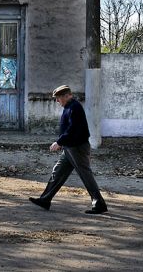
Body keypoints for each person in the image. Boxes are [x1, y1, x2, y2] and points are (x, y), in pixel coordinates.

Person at [29, 85, 108, 214]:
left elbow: (72, 130)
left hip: (77, 147)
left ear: (67, 96)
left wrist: (59, 142)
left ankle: (99, 203)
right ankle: (45, 199)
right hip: (70, 147)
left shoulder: (74, 107)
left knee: (85, 175)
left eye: (58, 98)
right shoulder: (69, 107)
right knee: (58, 172)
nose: (57, 101)